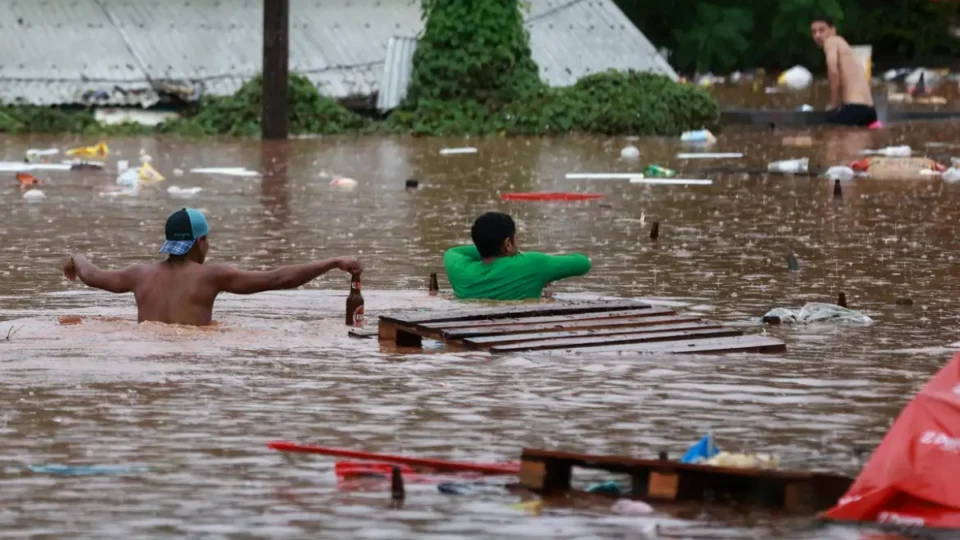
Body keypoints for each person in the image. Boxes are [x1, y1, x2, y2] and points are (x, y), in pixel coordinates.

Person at [62, 208, 363, 326]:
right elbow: (278, 279)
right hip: (195, 357)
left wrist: (76, 257)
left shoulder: (139, 274)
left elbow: (91, 275)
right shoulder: (212, 276)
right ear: (200, 242)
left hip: (147, 351)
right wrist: (333, 261)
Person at [443, 212, 591, 301]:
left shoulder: (459, 270)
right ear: (508, 243)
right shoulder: (532, 264)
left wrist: (486, 248)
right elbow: (583, 263)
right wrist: (522, 257)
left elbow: (454, 251)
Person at [810, 15, 877, 127]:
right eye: (814, 32)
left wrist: (833, 104)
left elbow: (833, 72)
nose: (817, 35)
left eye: (822, 30)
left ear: (832, 30)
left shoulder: (831, 42)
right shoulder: (845, 47)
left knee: (824, 133)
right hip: (870, 110)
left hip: (855, 108)